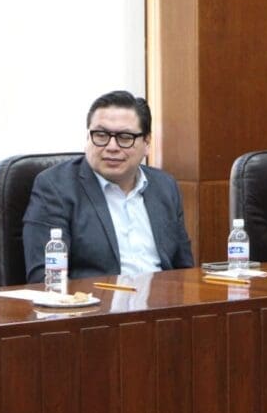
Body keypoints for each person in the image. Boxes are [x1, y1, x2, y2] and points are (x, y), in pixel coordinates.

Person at [22, 90, 194, 282]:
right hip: (95, 300)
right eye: (101, 135)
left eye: (125, 137)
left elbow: (185, 271)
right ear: (88, 137)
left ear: (147, 143)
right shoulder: (55, 187)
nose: (112, 147)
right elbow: (45, 278)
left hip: (163, 298)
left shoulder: (164, 186)